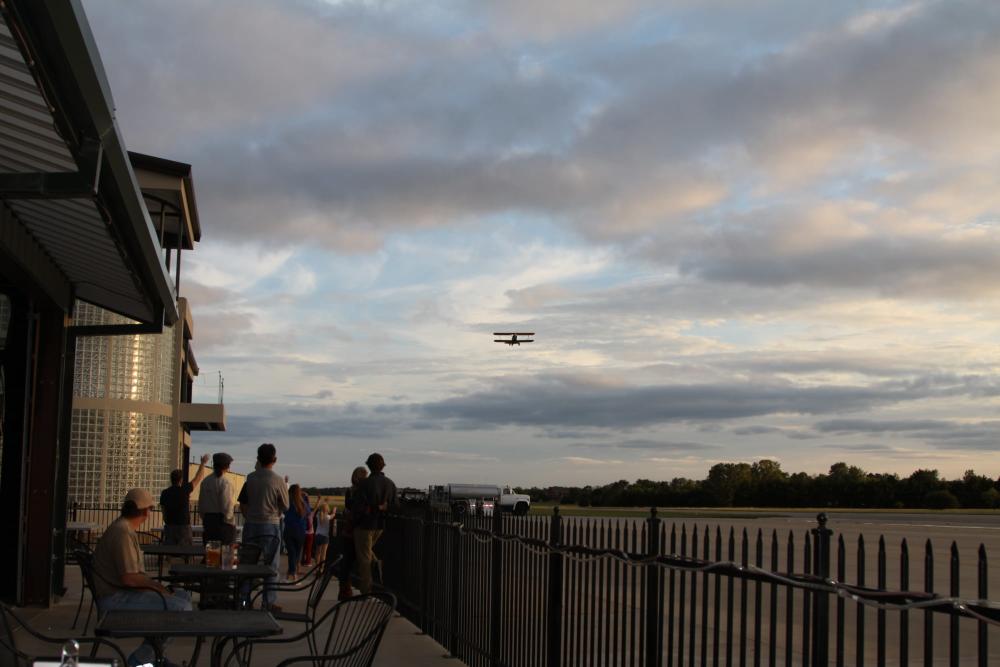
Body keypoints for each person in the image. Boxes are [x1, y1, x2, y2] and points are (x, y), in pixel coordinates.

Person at [93, 488, 192, 667]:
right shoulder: (122, 533)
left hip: (120, 593)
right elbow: (130, 578)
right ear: (146, 511)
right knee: (182, 609)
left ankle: (155, 655)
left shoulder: (123, 528)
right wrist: (158, 588)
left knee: (183, 596)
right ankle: (141, 660)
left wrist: (157, 588)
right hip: (115, 598)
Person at [238, 443, 289, 611]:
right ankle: (268, 602)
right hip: (271, 526)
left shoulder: (250, 478)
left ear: (258, 459)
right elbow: (286, 505)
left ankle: (244, 601)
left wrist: (250, 515)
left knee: (247, 564)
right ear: (274, 460)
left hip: (251, 525)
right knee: (271, 566)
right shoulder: (278, 480)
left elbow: (243, 503)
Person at [354, 452, 397, 594]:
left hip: (364, 525)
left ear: (369, 466)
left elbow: (358, 507)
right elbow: (395, 506)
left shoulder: (364, 484)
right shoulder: (390, 484)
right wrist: (383, 508)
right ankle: (378, 565)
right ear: (382, 466)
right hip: (381, 525)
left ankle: (366, 591)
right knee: (368, 552)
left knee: (364, 558)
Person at [159, 454, 209, 546]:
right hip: (183, 526)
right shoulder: (185, 490)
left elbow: (163, 510)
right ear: (181, 479)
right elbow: (198, 478)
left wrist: (167, 521)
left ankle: (168, 559)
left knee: (169, 549)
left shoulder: (165, 493)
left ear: (171, 479)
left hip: (170, 525)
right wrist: (202, 463)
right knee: (186, 550)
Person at [337, 466, 367, 600]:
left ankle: (344, 590)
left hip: (348, 530)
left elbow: (348, 509)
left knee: (347, 562)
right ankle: (363, 589)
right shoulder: (363, 492)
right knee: (361, 561)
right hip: (359, 530)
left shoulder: (350, 491)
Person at [199, 452, 236, 544]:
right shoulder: (225, 482)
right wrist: (230, 521)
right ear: (227, 466)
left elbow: (201, 504)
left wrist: (205, 518)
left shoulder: (206, 481)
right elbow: (227, 506)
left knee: (211, 554)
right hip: (223, 524)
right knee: (225, 555)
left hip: (208, 522)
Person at [283, 485, 307, 580]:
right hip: (300, 531)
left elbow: (283, 512)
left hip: (289, 530)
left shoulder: (287, 502)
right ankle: (292, 573)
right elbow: (308, 512)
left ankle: (291, 573)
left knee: (292, 553)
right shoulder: (302, 503)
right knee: (296, 553)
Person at [313, 501, 334, 570]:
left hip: (317, 535)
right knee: (323, 554)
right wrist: (334, 511)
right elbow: (333, 515)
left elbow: (319, 510)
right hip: (325, 536)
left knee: (317, 552)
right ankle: (321, 569)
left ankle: (316, 568)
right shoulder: (327, 517)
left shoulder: (318, 515)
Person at [302, 494, 315, 567]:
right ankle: (308, 562)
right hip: (310, 533)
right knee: (309, 549)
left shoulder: (302, 512)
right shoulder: (311, 513)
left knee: (303, 548)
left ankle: (302, 560)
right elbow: (315, 507)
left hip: (303, 532)